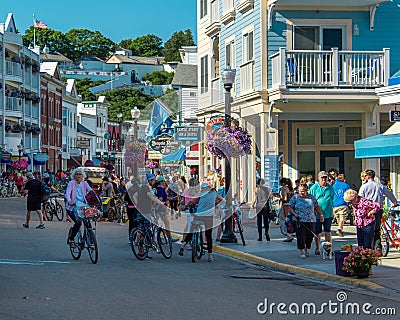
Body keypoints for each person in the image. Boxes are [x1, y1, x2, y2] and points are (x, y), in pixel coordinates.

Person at [179, 182, 225, 262]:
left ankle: (183, 245)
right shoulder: (214, 193)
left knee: (192, 230)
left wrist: (187, 205)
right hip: (209, 216)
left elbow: (192, 201)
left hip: (199, 215)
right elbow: (223, 200)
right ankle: (210, 255)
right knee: (208, 235)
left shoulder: (200, 193)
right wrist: (214, 203)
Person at [358, 169, 398, 251]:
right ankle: (378, 246)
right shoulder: (380, 186)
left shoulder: (364, 187)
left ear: (368, 176)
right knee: (377, 229)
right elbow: (390, 194)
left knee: (368, 229)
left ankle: (369, 248)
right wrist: (394, 202)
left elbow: (360, 199)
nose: (364, 177)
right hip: (378, 210)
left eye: (365, 176)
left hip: (367, 211)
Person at [288, 184, 324, 258]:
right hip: (299, 220)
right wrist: (294, 214)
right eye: (300, 191)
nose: (301, 193)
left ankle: (307, 248)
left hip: (311, 219)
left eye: (303, 191)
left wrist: (321, 215)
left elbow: (317, 206)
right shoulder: (295, 197)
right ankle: (302, 251)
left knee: (310, 236)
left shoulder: (311, 197)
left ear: (307, 190)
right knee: (301, 235)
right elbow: (290, 207)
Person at [65, 168, 94, 247]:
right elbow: (67, 193)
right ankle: (71, 238)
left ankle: (91, 241)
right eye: (76, 174)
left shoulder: (85, 183)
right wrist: (69, 200)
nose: (78, 175)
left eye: (80, 174)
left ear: (83, 176)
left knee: (88, 223)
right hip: (73, 207)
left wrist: (95, 198)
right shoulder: (71, 183)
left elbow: (91, 191)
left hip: (83, 206)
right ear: (74, 176)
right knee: (78, 223)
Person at [309, 171, 334, 255]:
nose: (324, 180)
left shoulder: (330, 187)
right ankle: (317, 248)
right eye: (322, 178)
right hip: (317, 215)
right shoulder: (314, 188)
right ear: (318, 178)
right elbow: (310, 200)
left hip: (328, 213)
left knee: (328, 231)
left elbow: (332, 197)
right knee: (317, 232)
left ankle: (329, 248)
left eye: (325, 178)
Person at [126, 177, 141, 243]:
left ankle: (131, 238)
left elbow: (125, 199)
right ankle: (137, 238)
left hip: (129, 208)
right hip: (137, 208)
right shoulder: (139, 190)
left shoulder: (129, 190)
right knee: (138, 223)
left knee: (131, 223)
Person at [280, 178, 295, 242]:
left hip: (285, 205)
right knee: (289, 220)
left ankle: (288, 235)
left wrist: (278, 199)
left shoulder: (284, 188)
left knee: (284, 220)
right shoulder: (291, 189)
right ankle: (290, 234)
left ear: (283, 183)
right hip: (291, 205)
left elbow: (285, 198)